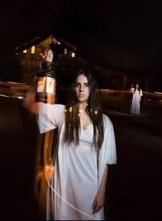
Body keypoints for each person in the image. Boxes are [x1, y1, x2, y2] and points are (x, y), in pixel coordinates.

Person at [24, 69, 117, 220]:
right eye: (78, 85)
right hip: (65, 186)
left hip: (90, 188)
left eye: (86, 85)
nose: (81, 89)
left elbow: (106, 160)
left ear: (92, 88)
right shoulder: (63, 114)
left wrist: (101, 193)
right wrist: (43, 73)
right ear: (73, 88)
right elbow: (33, 105)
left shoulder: (104, 122)